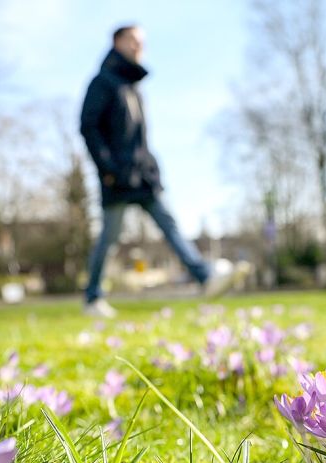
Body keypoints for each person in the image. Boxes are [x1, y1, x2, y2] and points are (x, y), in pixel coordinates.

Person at [79, 25, 246, 318]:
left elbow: (138, 139)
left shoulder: (132, 86)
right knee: (110, 236)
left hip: (142, 175)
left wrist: (150, 166)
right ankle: (93, 298)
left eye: (142, 42)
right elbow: (89, 127)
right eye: (132, 40)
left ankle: (205, 277)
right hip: (117, 176)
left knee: (169, 224)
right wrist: (109, 169)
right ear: (117, 42)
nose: (138, 46)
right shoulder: (103, 83)